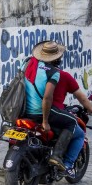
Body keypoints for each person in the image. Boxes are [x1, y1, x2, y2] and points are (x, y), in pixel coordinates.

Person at [22, 41, 80, 174]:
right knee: (72, 121)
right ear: (57, 58)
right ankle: (57, 156)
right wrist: (45, 121)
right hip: (38, 112)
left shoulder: (27, 65)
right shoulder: (54, 72)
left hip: (23, 110)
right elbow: (48, 97)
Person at [51, 64, 92, 176]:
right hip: (52, 112)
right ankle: (67, 165)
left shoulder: (32, 72)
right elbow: (80, 96)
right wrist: (91, 108)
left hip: (28, 113)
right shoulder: (62, 76)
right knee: (79, 133)